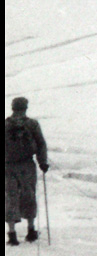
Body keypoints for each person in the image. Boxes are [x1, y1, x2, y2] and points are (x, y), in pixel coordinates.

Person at [5, 97, 49, 245]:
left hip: (8, 166)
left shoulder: (5, 125)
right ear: (25, 108)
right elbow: (41, 144)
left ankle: (12, 234)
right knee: (29, 195)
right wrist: (42, 162)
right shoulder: (32, 124)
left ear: (12, 108)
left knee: (10, 197)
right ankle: (31, 231)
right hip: (27, 165)